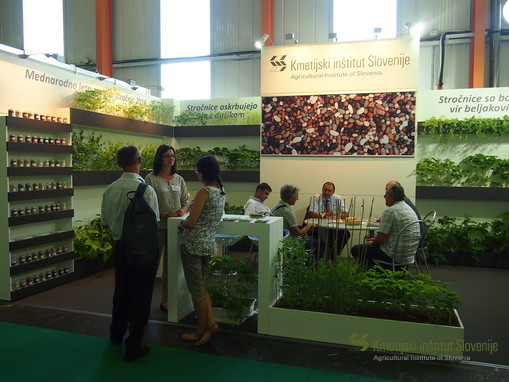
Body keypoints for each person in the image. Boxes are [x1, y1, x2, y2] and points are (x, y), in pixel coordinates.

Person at [101, 145, 160, 362]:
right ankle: (134, 343)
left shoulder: (110, 190)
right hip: (143, 251)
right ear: (140, 160)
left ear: (118, 164)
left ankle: (116, 334)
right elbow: (154, 223)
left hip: (120, 249)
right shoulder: (147, 190)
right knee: (141, 295)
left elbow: (105, 224)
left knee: (122, 292)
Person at [178, 155, 226, 345]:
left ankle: (200, 330)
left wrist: (181, 224)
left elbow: (191, 222)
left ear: (202, 172)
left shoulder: (203, 192)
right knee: (202, 287)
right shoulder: (221, 192)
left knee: (196, 291)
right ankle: (211, 324)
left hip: (192, 245)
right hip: (207, 245)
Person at [145, 144, 189, 312]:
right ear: (159, 158)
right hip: (157, 228)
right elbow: (147, 204)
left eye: (173, 155)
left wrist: (181, 212)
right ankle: (144, 298)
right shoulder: (151, 179)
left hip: (176, 228)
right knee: (152, 265)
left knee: (171, 266)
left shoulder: (179, 179)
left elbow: (186, 202)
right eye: (167, 155)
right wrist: (165, 214)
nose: (171, 158)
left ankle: (166, 299)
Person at [351, 183, 420, 270]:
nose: (384, 196)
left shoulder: (391, 211)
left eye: (386, 194)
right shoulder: (408, 208)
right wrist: (375, 240)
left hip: (394, 254)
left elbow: (380, 240)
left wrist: (373, 242)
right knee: (370, 246)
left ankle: (375, 273)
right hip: (408, 255)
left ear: (392, 197)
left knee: (356, 249)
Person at [308, 182, 351, 259]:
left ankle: (334, 255)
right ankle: (323, 257)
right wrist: (327, 215)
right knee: (327, 237)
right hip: (318, 226)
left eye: (329, 190)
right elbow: (312, 214)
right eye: (325, 190)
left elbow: (346, 213)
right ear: (322, 189)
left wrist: (338, 214)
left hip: (334, 226)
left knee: (346, 234)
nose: (326, 192)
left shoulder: (338, 198)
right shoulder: (316, 198)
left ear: (333, 192)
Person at [271, 184, 318, 253]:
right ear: (291, 198)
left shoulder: (276, 206)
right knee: (319, 243)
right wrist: (309, 225)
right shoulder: (286, 211)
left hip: (277, 238)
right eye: (296, 196)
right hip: (288, 242)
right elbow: (298, 234)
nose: (297, 198)